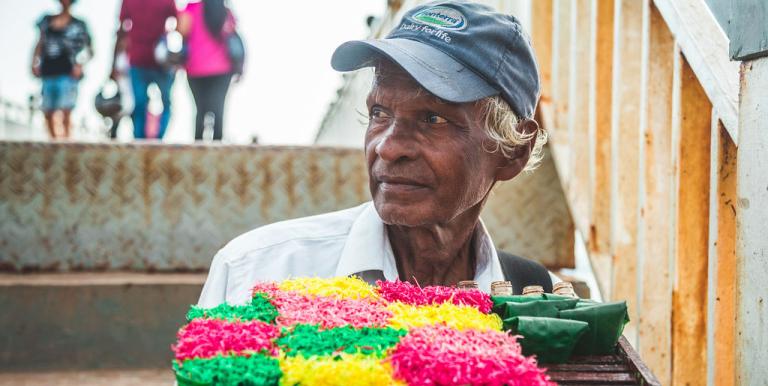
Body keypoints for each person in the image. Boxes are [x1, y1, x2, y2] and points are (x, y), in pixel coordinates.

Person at [198, 0, 555, 307]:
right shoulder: (257, 274)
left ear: (513, 152)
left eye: (433, 119)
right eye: (379, 114)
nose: (388, 146)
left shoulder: (539, 303)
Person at [113, 0, 177, 140]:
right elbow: (177, 21)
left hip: (145, 60)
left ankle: (141, 140)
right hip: (151, 60)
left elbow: (122, 30)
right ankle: (153, 139)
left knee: (141, 104)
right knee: (162, 102)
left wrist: (113, 65)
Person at [178, 0, 238, 141]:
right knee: (218, 110)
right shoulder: (224, 9)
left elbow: (182, 30)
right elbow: (231, 31)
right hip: (221, 69)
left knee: (200, 110)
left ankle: (198, 146)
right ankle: (218, 146)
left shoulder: (191, 8)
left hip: (195, 68)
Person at [31, 0, 92, 139]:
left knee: (66, 110)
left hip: (68, 72)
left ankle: (66, 143)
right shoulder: (47, 21)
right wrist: (34, 61)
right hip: (48, 71)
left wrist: (80, 64)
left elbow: (89, 50)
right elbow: (40, 42)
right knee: (47, 110)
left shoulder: (79, 24)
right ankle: (54, 143)